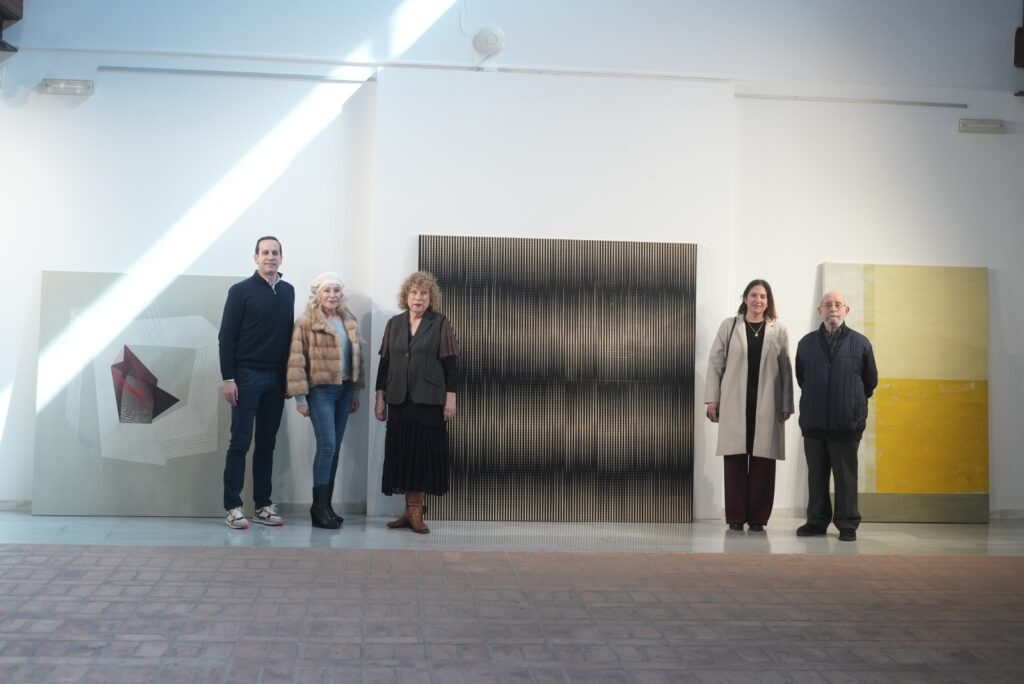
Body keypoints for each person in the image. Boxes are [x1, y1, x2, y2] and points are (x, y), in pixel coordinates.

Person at [705, 279, 794, 532]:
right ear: (745, 298)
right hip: (734, 399)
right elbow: (715, 363)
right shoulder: (730, 326)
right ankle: (735, 516)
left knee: (763, 460)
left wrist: (787, 403)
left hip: (768, 400)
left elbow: (786, 368)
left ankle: (757, 518)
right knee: (735, 458)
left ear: (769, 301)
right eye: (754, 295)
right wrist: (712, 398)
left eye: (763, 296)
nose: (758, 300)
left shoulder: (779, 329)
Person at [374, 271, 460, 535]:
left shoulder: (440, 323)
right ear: (406, 296)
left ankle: (416, 510)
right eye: (413, 293)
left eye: (423, 293)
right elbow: (385, 363)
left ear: (430, 298)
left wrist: (451, 397)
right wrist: (380, 398)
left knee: (422, 454)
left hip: (428, 399)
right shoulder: (394, 323)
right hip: (399, 398)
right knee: (402, 452)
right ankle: (408, 510)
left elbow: (450, 364)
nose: (418, 298)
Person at [219, 236, 295, 529]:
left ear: (281, 257)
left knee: (266, 444)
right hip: (246, 376)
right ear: (256, 258)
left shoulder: (288, 291)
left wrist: (289, 378)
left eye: (275, 252)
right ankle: (233, 507)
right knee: (240, 443)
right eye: (265, 252)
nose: (270, 257)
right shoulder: (240, 291)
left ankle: (262, 505)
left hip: (276, 379)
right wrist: (229, 378)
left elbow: (288, 337)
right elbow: (226, 337)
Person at [795, 291, 878, 542]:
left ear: (846, 310)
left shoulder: (861, 343)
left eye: (838, 304)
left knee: (846, 478)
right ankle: (816, 521)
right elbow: (802, 378)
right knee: (816, 477)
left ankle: (847, 523)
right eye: (828, 304)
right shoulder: (806, 343)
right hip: (814, 422)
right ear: (819, 311)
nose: (833, 308)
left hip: (846, 423)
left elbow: (870, 381)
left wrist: (851, 403)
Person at [286, 273, 364, 529]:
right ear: (318, 294)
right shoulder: (306, 322)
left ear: (341, 294)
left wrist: (355, 393)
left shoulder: (349, 320)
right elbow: (296, 360)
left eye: (336, 290)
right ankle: (317, 508)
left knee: (335, 447)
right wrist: (300, 397)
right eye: (327, 290)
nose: (332, 295)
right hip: (320, 391)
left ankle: (327, 505)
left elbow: (357, 359)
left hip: (344, 391)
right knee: (327, 446)